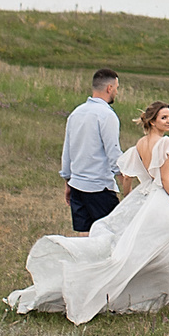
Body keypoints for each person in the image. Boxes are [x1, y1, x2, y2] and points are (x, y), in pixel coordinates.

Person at [5, 101, 169, 324]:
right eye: (164, 117)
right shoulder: (165, 143)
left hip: (146, 197)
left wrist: (130, 198)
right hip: (162, 200)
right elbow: (164, 180)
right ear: (152, 121)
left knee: (139, 249)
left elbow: (126, 175)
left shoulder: (141, 144)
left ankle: (162, 294)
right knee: (166, 249)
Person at [59, 68, 125, 233]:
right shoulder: (106, 116)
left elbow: (67, 150)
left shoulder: (76, 113)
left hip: (77, 187)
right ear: (109, 88)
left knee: (85, 237)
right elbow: (113, 153)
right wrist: (125, 179)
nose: (116, 92)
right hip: (99, 188)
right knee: (112, 236)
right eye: (116, 88)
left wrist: (68, 181)